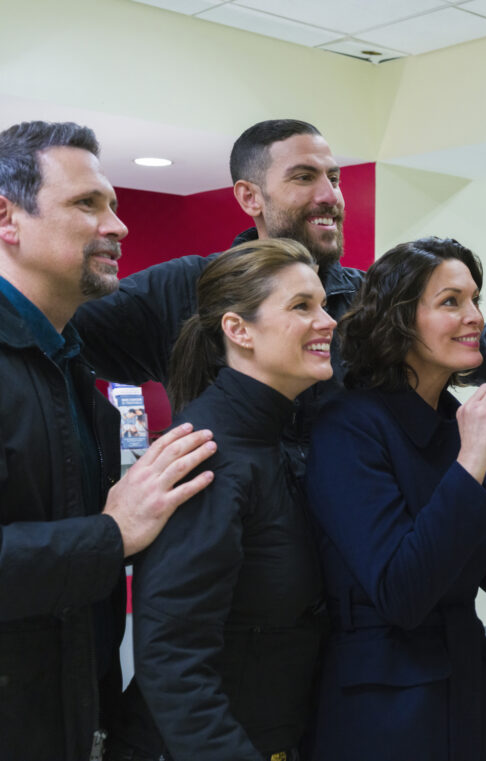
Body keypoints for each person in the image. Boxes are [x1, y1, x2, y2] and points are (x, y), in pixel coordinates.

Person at [70, 119, 486, 477]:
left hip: (339, 546)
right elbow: (64, 331)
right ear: (250, 198)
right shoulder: (188, 287)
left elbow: (477, 344)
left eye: (333, 178)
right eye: (304, 178)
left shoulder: (359, 296)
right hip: (238, 533)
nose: (330, 195)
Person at [0, 120, 216, 761]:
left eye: (115, 205)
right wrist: (113, 532)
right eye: (86, 204)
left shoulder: (71, 368)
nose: (118, 227)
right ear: (7, 219)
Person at [305, 237, 486, 760]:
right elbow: (401, 592)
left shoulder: (456, 422)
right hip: (384, 708)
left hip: (463, 688)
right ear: (399, 319)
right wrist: (473, 462)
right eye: (451, 302)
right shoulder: (348, 427)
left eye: (475, 299)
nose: (475, 317)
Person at [110, 239, 337, 761]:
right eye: (302, 306)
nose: (327, 321)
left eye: (323, 304)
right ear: (238, 330)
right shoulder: (206, 456)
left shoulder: (271, 438)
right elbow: (173, 661)